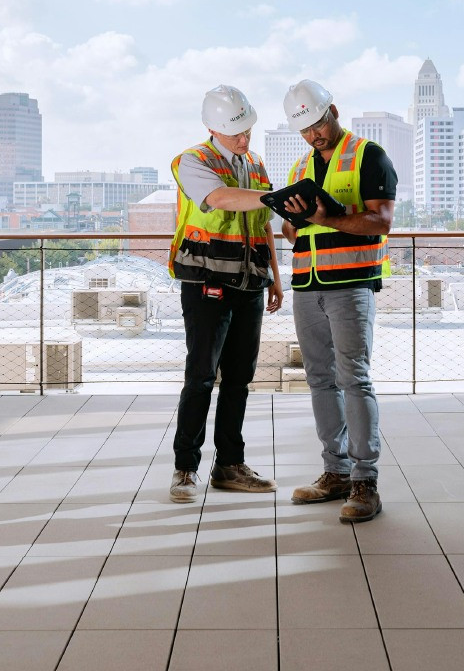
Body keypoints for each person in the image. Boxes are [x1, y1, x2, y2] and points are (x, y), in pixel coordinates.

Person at [279, 79, 396, 523]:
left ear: (333, 111)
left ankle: (366, 481)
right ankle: (336, 472)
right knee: (319, 380)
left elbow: (381, 222)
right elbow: (294, 233)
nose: (314, 135)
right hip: (307, 284)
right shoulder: (298, 168)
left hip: (351, 283)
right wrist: (293, 218)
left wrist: (329, 216)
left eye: (318, 124)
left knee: (355, 380)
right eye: (305, 129)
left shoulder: (369, 155)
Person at [167, 84, 285, 504]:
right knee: (200, 378)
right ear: (211, 127)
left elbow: (264, 222)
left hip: (250, 284)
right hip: (206, 284)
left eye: (247, 129)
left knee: (239, 380)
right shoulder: (193, 161)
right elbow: (219, 198)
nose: (243, 138)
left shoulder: (253, 163)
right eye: (235, 132)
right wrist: (276, 197)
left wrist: (274, 275)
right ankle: (185, 469)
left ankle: (229, 466)